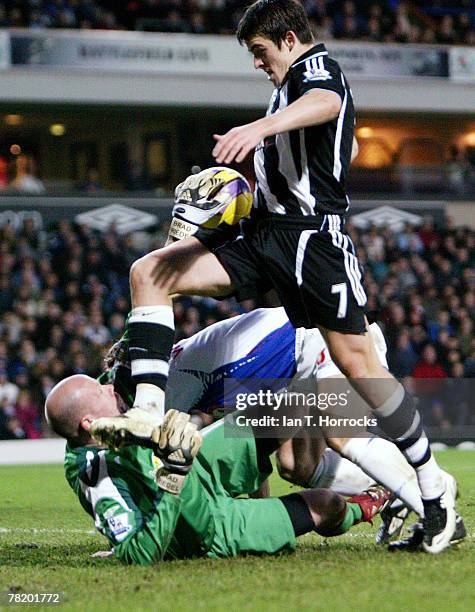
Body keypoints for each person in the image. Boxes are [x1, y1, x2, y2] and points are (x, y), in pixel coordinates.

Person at [92, 3, 455, 554]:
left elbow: (328, 101)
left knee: (360, 371)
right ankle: (147, 410)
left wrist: (261, 128)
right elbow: (342, 136)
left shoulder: (316, 70)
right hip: (267, 234)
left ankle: (433, 491)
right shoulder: (288, 87)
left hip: (312, 242)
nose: (259, 65)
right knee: (152, 271)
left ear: (288, 38)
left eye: (261, 52)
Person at [45, 375, 390, 565]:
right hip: (204, 525)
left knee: (287, 403)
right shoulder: (93, 470)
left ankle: (312, 457)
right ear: (89, 423)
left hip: (199, 464)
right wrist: (173, 476)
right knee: (327, 505)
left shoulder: (115, 425)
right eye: (100, 390)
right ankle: (370, 501)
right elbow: (139, 554)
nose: (109, 386)